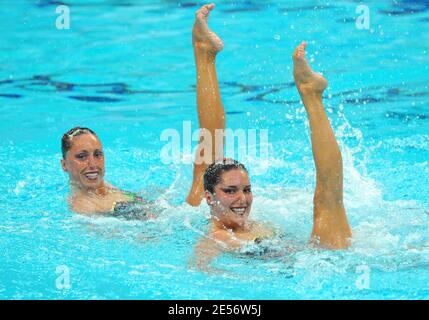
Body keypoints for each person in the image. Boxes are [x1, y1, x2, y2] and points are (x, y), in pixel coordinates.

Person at [186, 4, 352, 271]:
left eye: (246, 190)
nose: (242, 199)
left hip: (292, 255)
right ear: (210, 197)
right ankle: (311, 96)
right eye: (230, 191)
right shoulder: (214, 238)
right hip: (310, 260)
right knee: (328, 204)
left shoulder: (221, 212)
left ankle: (204, 52)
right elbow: (198, 270)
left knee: (208, 153)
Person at [60, 127, 152, 219]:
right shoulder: (85, 210)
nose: (93, 164)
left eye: (97, 155)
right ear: (64, 164)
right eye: (82, 156)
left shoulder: (104, 188)